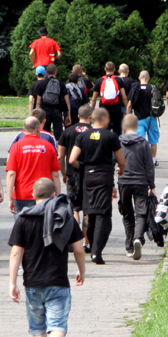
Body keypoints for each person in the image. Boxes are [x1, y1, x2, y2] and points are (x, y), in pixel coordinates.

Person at [9, 178, 85, 337]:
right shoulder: (65, 214)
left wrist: (12, 282)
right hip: (58, 281)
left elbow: (16, 252)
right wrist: (82, 270)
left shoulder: (24, 218)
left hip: (32, 282)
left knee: (38, 328)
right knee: (58, 326)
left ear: (34, 196)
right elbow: (78, 249)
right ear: (54, 194)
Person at [69, 108, 124, 264]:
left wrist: (84, 168)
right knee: (103, 214)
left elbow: (72, 159)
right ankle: (96, 252)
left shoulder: (82, 136)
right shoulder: (112, 136)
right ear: (104, 118)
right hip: (104, 178)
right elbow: (121, 160)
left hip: (88, 178)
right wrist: (122, 170)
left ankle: (92, 247)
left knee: (90, 212)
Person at [118, 113, 155, 260]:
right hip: (141, 182)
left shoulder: (118, 142)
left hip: (124, 182)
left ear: (124, 126)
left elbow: (114, 160)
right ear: (137, 126)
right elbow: (149, 166)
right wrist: (151, 185)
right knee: (141, 213)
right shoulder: (143, 143)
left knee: (127, 214)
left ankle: (129, 247)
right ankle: (138, 238)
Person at [7, 116, 62, 215]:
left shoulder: (16, 147)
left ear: (24, 129)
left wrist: (10, 198)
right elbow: (55, 175)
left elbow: (11, 173)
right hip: (44, 194)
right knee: (43, 227)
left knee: (21, 228)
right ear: (38, 128)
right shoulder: (48, 146)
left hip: (21, 195)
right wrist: (57, 196)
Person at [58, 104, 93, 249]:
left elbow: (61, 156)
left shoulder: (68, 131)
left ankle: (74, 242)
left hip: (72, 174)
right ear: (91, 117)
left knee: (74, 208)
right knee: (87, 210)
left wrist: (64, 172)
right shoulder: (94, 131)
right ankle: (87, 242)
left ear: (78, 116)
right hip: (90, 175)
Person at [127, 70, 159, 161]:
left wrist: (127, 115)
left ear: (139, 78)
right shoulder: (152, 88)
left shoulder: (135, 89)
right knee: (153, 140)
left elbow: (129, 105)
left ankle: (140, 159)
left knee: (139, 141)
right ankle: (153, 160)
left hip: (138, 119)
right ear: (148, 78)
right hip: (151, 118)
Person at [91, 61, 128, 135]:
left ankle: (106, 145)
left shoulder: (100, 81)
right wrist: (127, 109)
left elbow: (94, 98)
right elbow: (124, 97)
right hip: (116, 109)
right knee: (117, 131)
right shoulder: (119, 80)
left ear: (105, 69)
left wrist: (92, 110)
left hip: (103, 110)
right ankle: (116, 145)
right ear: (114, 69)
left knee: (104, 131)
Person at [34, 63, 70, 139]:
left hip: (45, 111)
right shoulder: (61, 84)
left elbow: (38, 101)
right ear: (56, 71)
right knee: (58, 134)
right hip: (58, 111)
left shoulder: (41, 84)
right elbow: (67, 101)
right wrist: (68, 115)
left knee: (45, 132)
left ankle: (47, 148)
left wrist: (38, 115)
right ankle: (57, 149)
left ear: (46, 72)